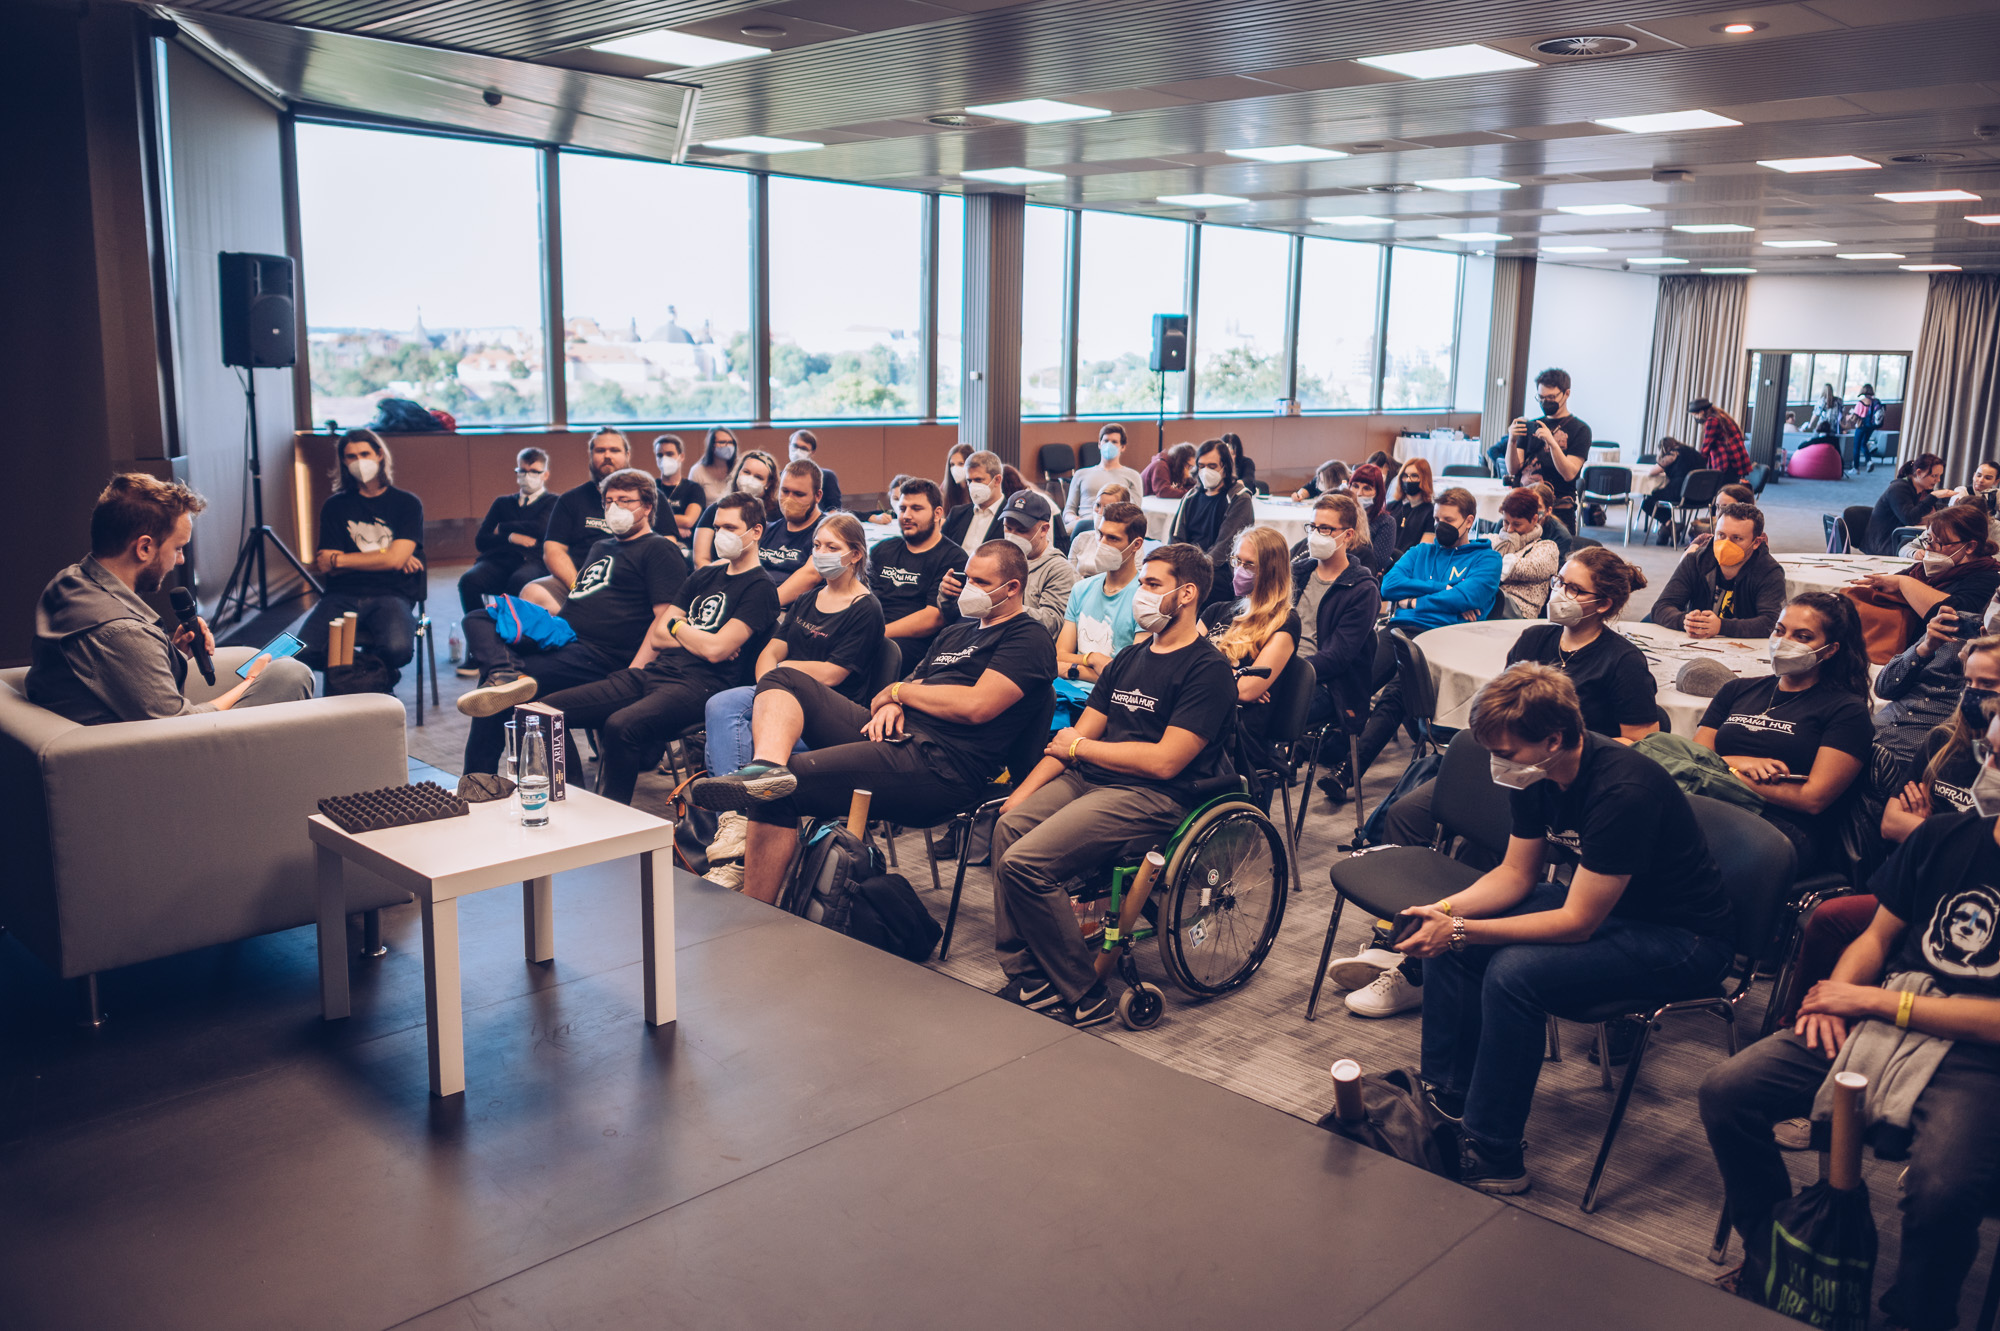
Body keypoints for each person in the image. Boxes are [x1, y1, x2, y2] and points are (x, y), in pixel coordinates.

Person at [1699, 730, 2000, 1330]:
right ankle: (1774, 1255)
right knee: (1728, 1092)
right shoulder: (1944, 836)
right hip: (1884, 1011)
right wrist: (1837, 1001)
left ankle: (1918, 1316)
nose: (1988, 768)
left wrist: (1872, 1001)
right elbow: (1875, 939)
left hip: (1976, 1049)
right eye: (1990, 753)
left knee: (1942, 1191)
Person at [1400, 663, 1732, 1193]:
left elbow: (1577, 924)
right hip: (1608, 908)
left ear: (1553, 739)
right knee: (1459, 941)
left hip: (1683, 938)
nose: (1496, 763)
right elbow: (1515, 874)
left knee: (1513, 973)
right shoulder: (1537, 772)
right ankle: (1450, 1099)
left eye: (1505, 752)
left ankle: (1495, 1153)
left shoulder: (1623, 789)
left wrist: (1459, 929)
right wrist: (1443, 911)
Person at [1337, 549, 1660, 1016]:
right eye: (1560, 581)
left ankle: (1419, 962)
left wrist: (1555, 753)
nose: (1560, 593)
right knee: (1408, 812)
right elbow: (1501, 708)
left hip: (1552, 776)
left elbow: (1641, 741)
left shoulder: (1621, 661)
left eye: (1574, 589)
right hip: (1511, 765)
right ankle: (1403, 935)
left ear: (1603, 603)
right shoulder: (1536, 638)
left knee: (1485, 838)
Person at [686, 540, 1057, 907]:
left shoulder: (1028, 637)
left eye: (980, 582)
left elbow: (977, 705)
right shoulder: (955, 632)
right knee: (783, 678)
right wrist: (895, 699)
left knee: (787, 787)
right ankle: (765, 768)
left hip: (942, 765)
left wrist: (900, 693)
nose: (967, 588)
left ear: (1012, 588)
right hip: (894, 732)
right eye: (967, 578)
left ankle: (754, 912)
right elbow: (907, 685)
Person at [989, 542, 1238, 1026]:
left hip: (1152, 797)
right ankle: (1031, 975)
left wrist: (1080, 749)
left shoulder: (1207, 670)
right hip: (1093, 780)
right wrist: (1020, 795)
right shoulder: (1130, 658)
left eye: (1152, 584)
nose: (1140, 593)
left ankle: (1085, 992)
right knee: (1009, 828)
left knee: (1025, 864)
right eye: (1142, 583)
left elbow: (1165, 762)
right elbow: (1071, 741)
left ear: (1186, 594)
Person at [540, 491, 780, 806]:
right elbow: (659, 636)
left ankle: (614, 817)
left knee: (620, 726)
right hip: (656, 672)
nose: (721, 535)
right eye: (717, 527)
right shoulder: (705, 574)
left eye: (730, 528)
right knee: (545, 712)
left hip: (701, 685)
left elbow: (716, 651)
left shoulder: (760, 587)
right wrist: (695, 635)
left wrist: (680, 628)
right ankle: (569, 800)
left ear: (756, 531)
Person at [455, 469, 688, 776]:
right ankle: (503, 673)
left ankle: (483, 777)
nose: (615, 508)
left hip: (601, 655)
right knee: (480, 617)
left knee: (512, 693)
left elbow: (664, 620)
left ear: (647, 507)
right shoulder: (601, 547)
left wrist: (634, 673)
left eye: (625, 500)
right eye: (609, 501)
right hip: (563, 636)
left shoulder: (659, 549)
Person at [27, 474, 310, 724]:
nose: (181, 559)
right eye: (178, 548)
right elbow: (179, 728)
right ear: (144, 547)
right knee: (290, 674)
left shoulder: (70, 581)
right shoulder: (123, 633)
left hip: (113, 732)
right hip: (149, 755)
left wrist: (170, 652)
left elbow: (111, 672)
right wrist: (251, 681)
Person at [699, 514, 885, 884]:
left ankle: (739, 845)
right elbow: (770, 651)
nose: (821, 553)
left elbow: (832, 674)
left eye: (832, 547)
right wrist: (770, 687)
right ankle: (737, 826)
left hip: (827, 716)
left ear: (855, 555)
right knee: (720, 704)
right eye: (817, 545)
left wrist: (783, 673)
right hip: (782, 696)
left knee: (735, 739)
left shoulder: (866, 608)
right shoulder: (808, 598)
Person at [1335, 489, 1501, 798]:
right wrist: (1445, 589)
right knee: (1358, 679)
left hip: (1446, 639)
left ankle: (1347, 770)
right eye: (1437, 519)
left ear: (1468, 522)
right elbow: (1389, 586)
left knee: (1395, 694)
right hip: (1401, 630)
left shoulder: (1487, 559)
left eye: (1448, 520)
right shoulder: (1420, 551)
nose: (1440, 526)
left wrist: (1412, 600)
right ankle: (1326, 746)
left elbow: (1470, 596)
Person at [1697, 593, 1873, 874]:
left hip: (1780, 829)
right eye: (1780, 631)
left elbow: (1813, 799)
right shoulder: (1737, 689)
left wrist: (1729, 772)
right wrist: (1737, 762)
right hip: (1711, 804)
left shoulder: (1846, 710)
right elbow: (1695, 759)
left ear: (1830, 650)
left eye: (1802, 637)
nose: (1783, 642)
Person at [300, 429, 424, 678]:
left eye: (365, 454)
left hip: (392, 593)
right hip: (341, 594)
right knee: (302, 651)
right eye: (351, 456)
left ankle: (358, 678)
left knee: (398, 650)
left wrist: (341, 559)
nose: (359, 461)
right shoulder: (335, 506)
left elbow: (393, 560)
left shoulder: (407, 503)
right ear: (344, 462)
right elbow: (325, 564)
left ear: (379, 455)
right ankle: (369, 677)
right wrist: (388, 556)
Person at [1882, 633, 2000, 844]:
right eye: (1969, 682)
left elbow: (1991, 847)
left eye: (1987, 683)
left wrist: (1928, 825)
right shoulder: (1943, 739)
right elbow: (1891, 824)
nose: (1973, 692)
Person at [1291, 493, 1381, 745]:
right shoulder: (1297, 573)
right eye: (1312, 527)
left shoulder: (1361, 589)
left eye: (1325, 529)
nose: (1315, 535)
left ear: (1348, 535)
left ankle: (1266, 767)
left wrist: (1283, 672)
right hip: (1280, 669)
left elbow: (1336, 657)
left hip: (1330, 687)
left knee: (1258, 711)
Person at [1202, 526, 1300, 754]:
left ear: (1271, 571)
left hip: (1238, 731)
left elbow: (1247, 691)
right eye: (1237, 561)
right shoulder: (1217, 611)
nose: (1239, 570)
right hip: (1203, 711)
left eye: (1249, 565)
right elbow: (1181, 661)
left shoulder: (1284, 622)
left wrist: (1203, 673)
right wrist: (1233, 678)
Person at [1875, 597, 2000, 771]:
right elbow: (1883, 689)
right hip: (1874, 732)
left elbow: (1970, 725)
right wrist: (1925, 647)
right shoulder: (1957, 625)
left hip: (1917, 756)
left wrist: (1975, 662)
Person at [1054, 501, 1148, 717]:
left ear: (1136, 545)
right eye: (1100, 535)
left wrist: (1072, 669)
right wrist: (1092, 659)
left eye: (1113, 538)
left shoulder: (1144, 599)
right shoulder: (1081, 589)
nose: (1102, 544)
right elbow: (1059, 655)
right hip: (1063, 691)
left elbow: (1130, 675)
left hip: (1108, 703)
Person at [868, 478, 967, 678]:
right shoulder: (882, 550)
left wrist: (876, 634)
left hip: (912, 642)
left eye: (916, 508)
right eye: (902, 508)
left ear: (937, 513)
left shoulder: (953, 558)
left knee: (882, 652)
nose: (906, 515)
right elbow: (863, 596)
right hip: (871, 628)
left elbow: (933, 618)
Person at [945, 488, 1073, 636]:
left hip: (1020, 639)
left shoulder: (1058, 569)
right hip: (977, 634)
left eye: (1021, 530)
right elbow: (955, 613)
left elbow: (1052, 622)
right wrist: (949, 596)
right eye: (1008, 528)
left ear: (1043, 529)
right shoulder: (997, 557)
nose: (1012, 535)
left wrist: (997, 604)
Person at [1648, 503, 1787, 639]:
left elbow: (1772, 623)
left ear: (1756, 542)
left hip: (1742, 647)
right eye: (1721, 535)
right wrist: (1688, 621)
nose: (1726, 544)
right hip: (1697, 643)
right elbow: (1661, 608)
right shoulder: (1695, 562)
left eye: (1737, 538)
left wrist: (1721, 626)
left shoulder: (1769, 572)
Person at [1855, 502, 2000, 629]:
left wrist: (1904, 583)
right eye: (1928, 540)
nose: (1929, 548)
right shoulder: (1924, 570)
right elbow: (1892, 583)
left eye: (1939, 542)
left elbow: (1951, 617)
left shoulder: (1987, 578)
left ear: (1969, 547)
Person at [539, 428, 633, 605]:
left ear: (627, 455)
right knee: (533, 593)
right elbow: (553, 551)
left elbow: (667, 544)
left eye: (614, 450)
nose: (607, 456)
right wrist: (579, 588)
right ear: (591, 456)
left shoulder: (650, 498)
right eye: (600, 450)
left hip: (634, 585)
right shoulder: (570, 500)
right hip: (579, 582)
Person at [458, 447, 556, 615]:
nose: (527, 476)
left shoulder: (553, 502)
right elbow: (481, 540)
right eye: (523, 471)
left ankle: (509, 626)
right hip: (499, 559)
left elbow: (541, 528)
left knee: (519, 581)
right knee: (468, 581)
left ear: (545, 475)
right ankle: (480, 624)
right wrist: (510, 537)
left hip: (533, 560)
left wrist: (503, 527)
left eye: (534, 472)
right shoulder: (502, 503)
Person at [1167, 438, 1255, 605]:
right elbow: (1176, 539)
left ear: (1225, 467)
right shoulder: (1191, 497)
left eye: (1212, 466)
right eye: (1201, 466)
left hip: (1221, 571)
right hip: (1188, 568)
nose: (1205, 471)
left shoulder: (1239, 498)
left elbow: (1224, 547)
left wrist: (1193, 572)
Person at [1507, 368, 1592, 531]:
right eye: (1541, 397)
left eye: (1551, 397)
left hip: (1559, 507)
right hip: (1523, 504)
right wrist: (1512, 441)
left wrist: (1552, 443)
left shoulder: (1580, 429)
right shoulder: (1531, 425)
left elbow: (1569, 473)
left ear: (1566, 394)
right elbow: (1513, 469)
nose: (1545, 402)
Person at [692, 449, 778, 567]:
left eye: (758, 477)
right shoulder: (715, 510)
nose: (750, 480)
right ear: (738, 472)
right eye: (746, 472)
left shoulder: (777, 515)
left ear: (769, 483)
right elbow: (700, 560)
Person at [758, 458, 827, 603]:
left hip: (788, 609)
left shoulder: (828, 532)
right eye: (785, 491)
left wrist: (763, 606)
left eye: (798, 494)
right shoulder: (768, 530)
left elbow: (811, 575)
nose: (789, 499)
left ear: (818, 496)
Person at [1490, 488, 1560, 620]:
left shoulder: (1547, 548)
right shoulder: (1494, 539)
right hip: (1490, 602)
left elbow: (1527, 568)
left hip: (1519, 612)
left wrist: (1488, 564)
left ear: (1534, 519)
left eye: (1517, 524)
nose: (1509, 530)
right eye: (1506, 522)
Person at [1866, 452, 1950, 556]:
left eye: (1939, 476)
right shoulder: (1899, 488)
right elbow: (1909, 518)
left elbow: (1927, 512)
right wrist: (1933, 496)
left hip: (1902, 540)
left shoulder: (1922, 490)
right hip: (1885, 544)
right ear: (1919, 473)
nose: (1938, 480)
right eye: (1934, 476)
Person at [1063, 423, 1144, 526]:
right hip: (1082, 524)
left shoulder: (1133, 476)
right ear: (1099, 444)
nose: (1109, 445)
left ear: (1123, 447)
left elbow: (1135, 513)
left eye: (1114, 442)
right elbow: (1068, 511)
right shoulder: (1081, 474)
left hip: (1114, 525)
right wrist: (1074, 519)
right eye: (1106, 441)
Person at [941, 449, 1014, 550]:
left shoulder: (1011, 517)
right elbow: (940, 549)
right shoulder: (957, 514)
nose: (972, 485)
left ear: (997, 480)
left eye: (978, 480)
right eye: (969, 481)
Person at [1639, 436, 1702, 543]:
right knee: (1662, 497)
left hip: (1679, 493)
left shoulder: (1673, 454)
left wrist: (1660, 459)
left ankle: (1670, 525)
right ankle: (1667, 530)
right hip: (1700, 495)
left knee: (1648, 502)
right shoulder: (1693, 452)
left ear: (1666, 448)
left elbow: (1653, 472)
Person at [1066, 482, 1134, 576]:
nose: (1100, 512)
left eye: (1108, 507)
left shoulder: (1130, 544)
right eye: (1098, 505)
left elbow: (1135, 578)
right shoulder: (1081, 539)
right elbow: (1069, 575)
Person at [653, 434, 707, 548]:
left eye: (669, 454)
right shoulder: (651, 487)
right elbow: (643, 519)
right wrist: (675, 528)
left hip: (686, 548)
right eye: (660, 455)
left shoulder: (693, 488)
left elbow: (688, 521)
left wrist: (658, 521)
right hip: (656, 544)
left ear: (681, 457)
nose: (664, 459)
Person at [1346, 462, 1399, 576]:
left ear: (1377, 493)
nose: (1359, 493)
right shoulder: (1341, 516)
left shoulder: (1386, 522)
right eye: (1355, 486)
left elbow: (1375, 564)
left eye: (1367, 488)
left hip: (1362, 577)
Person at [1689, 398, 1752, 486]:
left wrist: (1696, 465)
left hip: (1728, 462)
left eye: (1695, 415)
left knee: (1722, 489)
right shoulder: (1721, 416)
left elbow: (1707, 446)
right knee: (1730, 489)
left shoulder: (1712, 420)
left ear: (1702, 412)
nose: (1696, 418)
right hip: (1736, 461)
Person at [1386, 458, 1436, 556]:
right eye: (1405, 476)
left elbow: (1423, 550)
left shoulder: (1431, 512)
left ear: (1424, 479)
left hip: (1410, 561)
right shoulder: (1391, 506)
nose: (1408, 480)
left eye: (1414, 476)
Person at [786, 429, 842, 513]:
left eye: (803, 448)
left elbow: (834, 511)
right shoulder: (780, 477)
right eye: (795, 446)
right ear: (789, 446)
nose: (797, 451)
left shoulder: (826, 476)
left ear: (812, 452)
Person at [687, 427, 741, 502]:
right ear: (712, 446)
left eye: (730, 442)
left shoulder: (739, 468)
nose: (728, 446)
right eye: (722, 442)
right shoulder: (697, 471)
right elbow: (691, 501)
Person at [1524, 482, 1574, 562]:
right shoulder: (1510, 524)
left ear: (1548, 510)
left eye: (1537, 506)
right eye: (1528, 505)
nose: (1531, 510)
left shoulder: (1561, 536)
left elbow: (1555, 568)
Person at [1850, 382, 1882, 467]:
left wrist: (1849, 417)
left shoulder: (1861, 402)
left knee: (1856, 446)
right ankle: (1869, 461)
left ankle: (1856, 467)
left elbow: (1855, 417)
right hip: (1870, 426)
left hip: (1861, 426)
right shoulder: (1875, 402)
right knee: (1863, 443)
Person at [941, 441, 974, 513]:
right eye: (952, 464)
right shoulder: (944, 488)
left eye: (961, 464)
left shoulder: (977, 488)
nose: (955, 469)